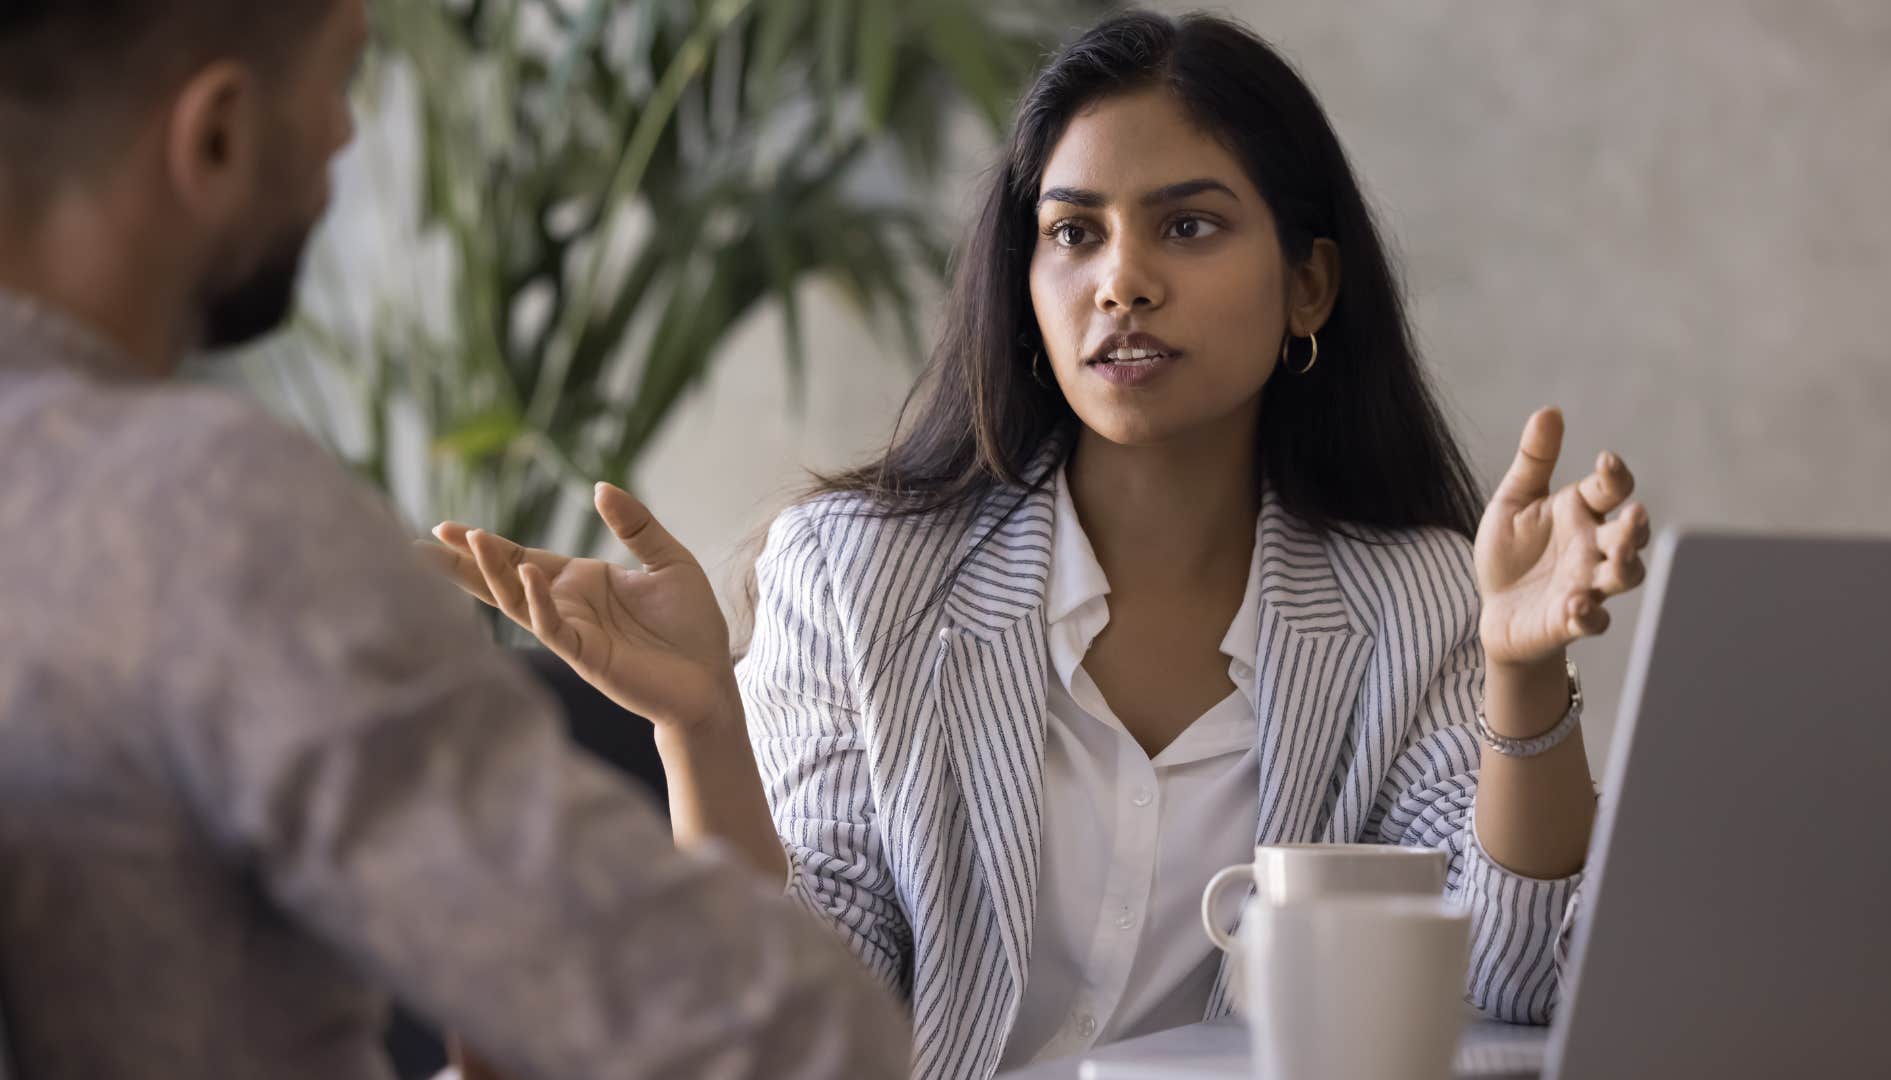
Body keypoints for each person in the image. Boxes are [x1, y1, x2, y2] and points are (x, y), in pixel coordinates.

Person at [425, 10, 1653, 1080]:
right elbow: (795, 1017)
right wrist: (700, 726)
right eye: (1074, 234)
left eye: (1188, 227)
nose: (1122, 282)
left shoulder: (1410, 601)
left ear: (1310, 286)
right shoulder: (853, 575)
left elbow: (1515, 982)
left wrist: (1523, 676)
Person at [0, 2, 909, 1078]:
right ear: (218, 134)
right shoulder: (203, 514)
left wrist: (701, 720)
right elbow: (785, 1037)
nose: (344, 134)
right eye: (338, 81)